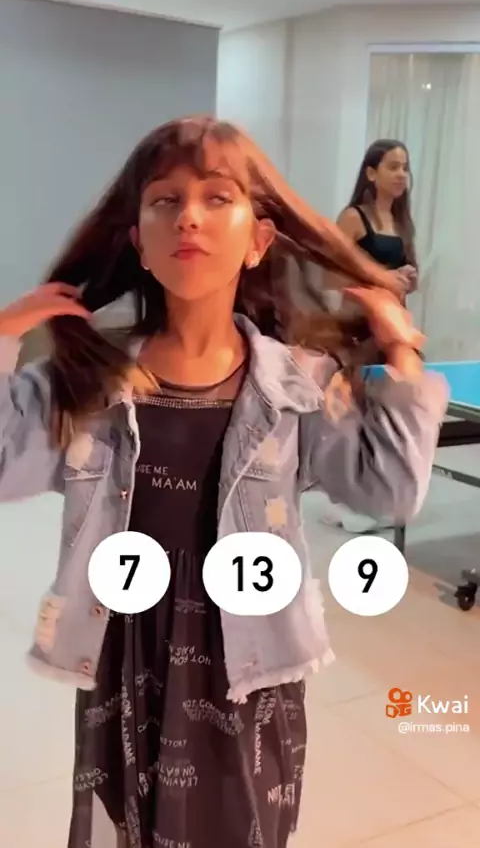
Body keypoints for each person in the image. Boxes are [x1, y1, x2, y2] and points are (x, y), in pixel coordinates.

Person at [0, 118, 447, 848]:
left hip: (249, 662)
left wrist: (400, 350)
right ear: (138, 242)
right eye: (165, 200)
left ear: (258, 238)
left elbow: (390, 489)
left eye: (217, 197)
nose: (190, 217)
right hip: (127, 653)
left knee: (241, 826)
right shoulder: (90, 383)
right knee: (132, 822)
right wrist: (4, 334)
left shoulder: (300, 385)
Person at [320, 138, 420, 533]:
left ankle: (378, 499)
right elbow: (329, 276)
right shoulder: (353, 218)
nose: (401, 175)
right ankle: (349, 502)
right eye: (393, 166)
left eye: (405, 167)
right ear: (372, 173)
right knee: (356, 419)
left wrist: (405, 281)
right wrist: (382, 280)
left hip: (393, 331)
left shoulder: (401, 223)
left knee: (390, 418)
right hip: (358, 329)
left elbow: (402, 281)